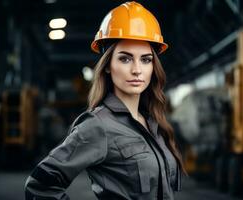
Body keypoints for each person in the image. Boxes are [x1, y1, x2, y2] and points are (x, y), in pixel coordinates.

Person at [25, 1, 186, 200]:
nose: (137, 70)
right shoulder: (98, 126)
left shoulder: (152, 122)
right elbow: (40, 186)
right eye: (125, 59)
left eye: (145, 59)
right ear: (108, 65)